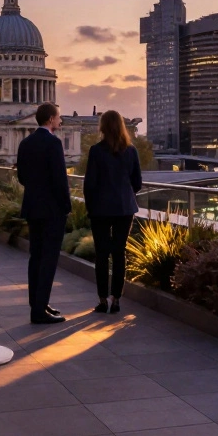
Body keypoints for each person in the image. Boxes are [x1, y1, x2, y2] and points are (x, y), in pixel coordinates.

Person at [16, 102, 71, 324]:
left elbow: (21, 177)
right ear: (50, 119)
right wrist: (66, 207)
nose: (60, 121)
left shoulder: (25, 143)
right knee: (49, 259)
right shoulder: (54, 143)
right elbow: (60, 179)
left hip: (32, 206)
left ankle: (37, 304)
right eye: (58, 117)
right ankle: (39, 311)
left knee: (36, 258)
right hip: (52, 210)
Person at [82, 110, 141, 314]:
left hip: (100, 209)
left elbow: (89, 184)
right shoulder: (131, 151)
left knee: (102, 254)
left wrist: (90, 206)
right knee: (119, 253)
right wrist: (124, 194)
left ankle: (102, 299)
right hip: (124, 208)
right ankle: (116, 299)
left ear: (103, 127)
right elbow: (138, 183)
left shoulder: (96, 151)